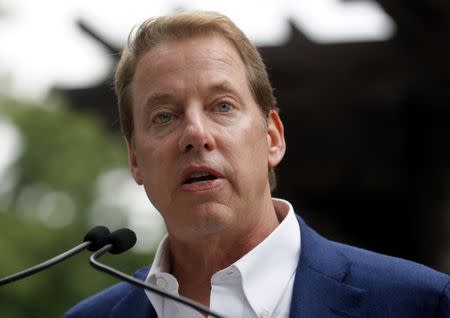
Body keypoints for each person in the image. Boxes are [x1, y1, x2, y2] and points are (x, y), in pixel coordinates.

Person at [65, 10, 449, 318]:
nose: (196, 134)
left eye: (222, 106)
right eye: (164, 116)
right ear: (135, 160)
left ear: (272, 138)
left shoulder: (423, 304)